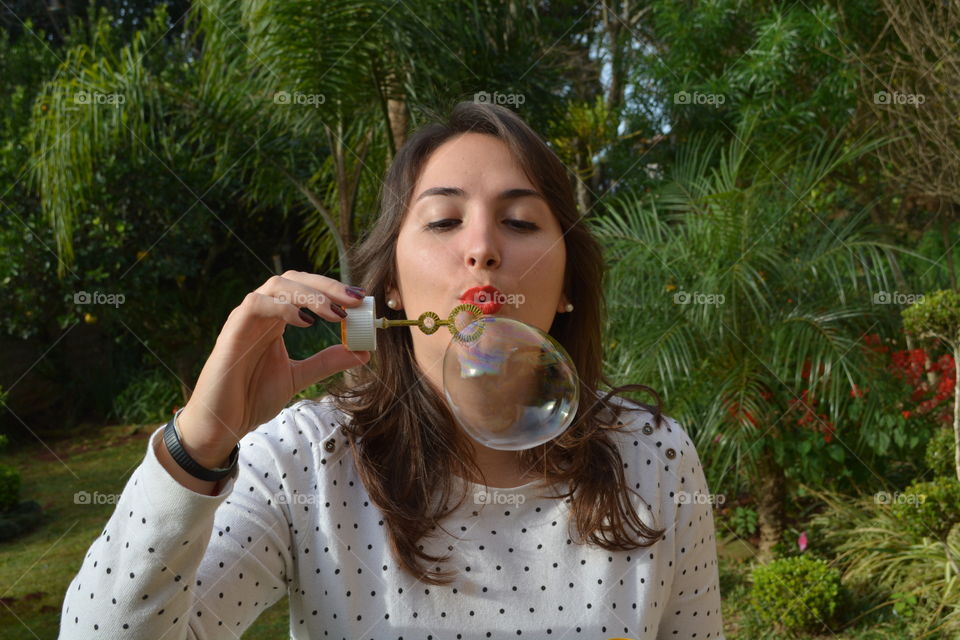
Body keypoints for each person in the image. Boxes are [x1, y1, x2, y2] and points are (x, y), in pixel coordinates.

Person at [59, 101, 725, 639]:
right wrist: (197, 446)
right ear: (394, 290)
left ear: (569, 285)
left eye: (520, 221)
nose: (483, 248)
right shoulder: (304, 462)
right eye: (443, 221)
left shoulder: (651, 455)